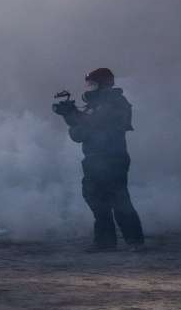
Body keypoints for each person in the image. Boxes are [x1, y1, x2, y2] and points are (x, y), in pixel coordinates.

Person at [55, 67, 144, 251]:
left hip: (111, 158)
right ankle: (106, 242)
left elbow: (83, 129)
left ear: (104, 84)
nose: (89, 88)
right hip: (96, 158)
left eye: (93, 84)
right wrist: (69, 114)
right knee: (96, 198)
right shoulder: (100, 104)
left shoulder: (113, 103)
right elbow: (84, 124)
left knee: (119, 200)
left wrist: (72, 117)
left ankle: (134, 242)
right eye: (89, 84)